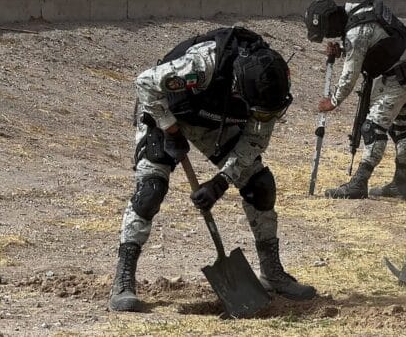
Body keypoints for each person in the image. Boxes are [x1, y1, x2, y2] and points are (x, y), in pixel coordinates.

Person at [109, 26, 317, 312]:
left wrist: (221, 182)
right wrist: (170, 130)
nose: (262, 118)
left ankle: (272, 273)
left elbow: (255, 139)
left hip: (213, 123)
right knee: (151, 190)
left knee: (260, 186)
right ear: (237, 87)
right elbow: (145, 83)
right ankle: (123, 280)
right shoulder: (202, 65)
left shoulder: (271, 86)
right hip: (164, 110)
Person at [305, 0, 406, 200]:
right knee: (401, 128)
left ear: (332, 21)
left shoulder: (355, 32)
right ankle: (400, 184)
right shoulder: (360, 10)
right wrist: (344, 51)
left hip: (397, 80)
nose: (329, 35)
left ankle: (359, 183)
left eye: (327, 31)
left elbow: (350, 75)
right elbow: (375, 45)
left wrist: (333, 101)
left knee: (372, 129)